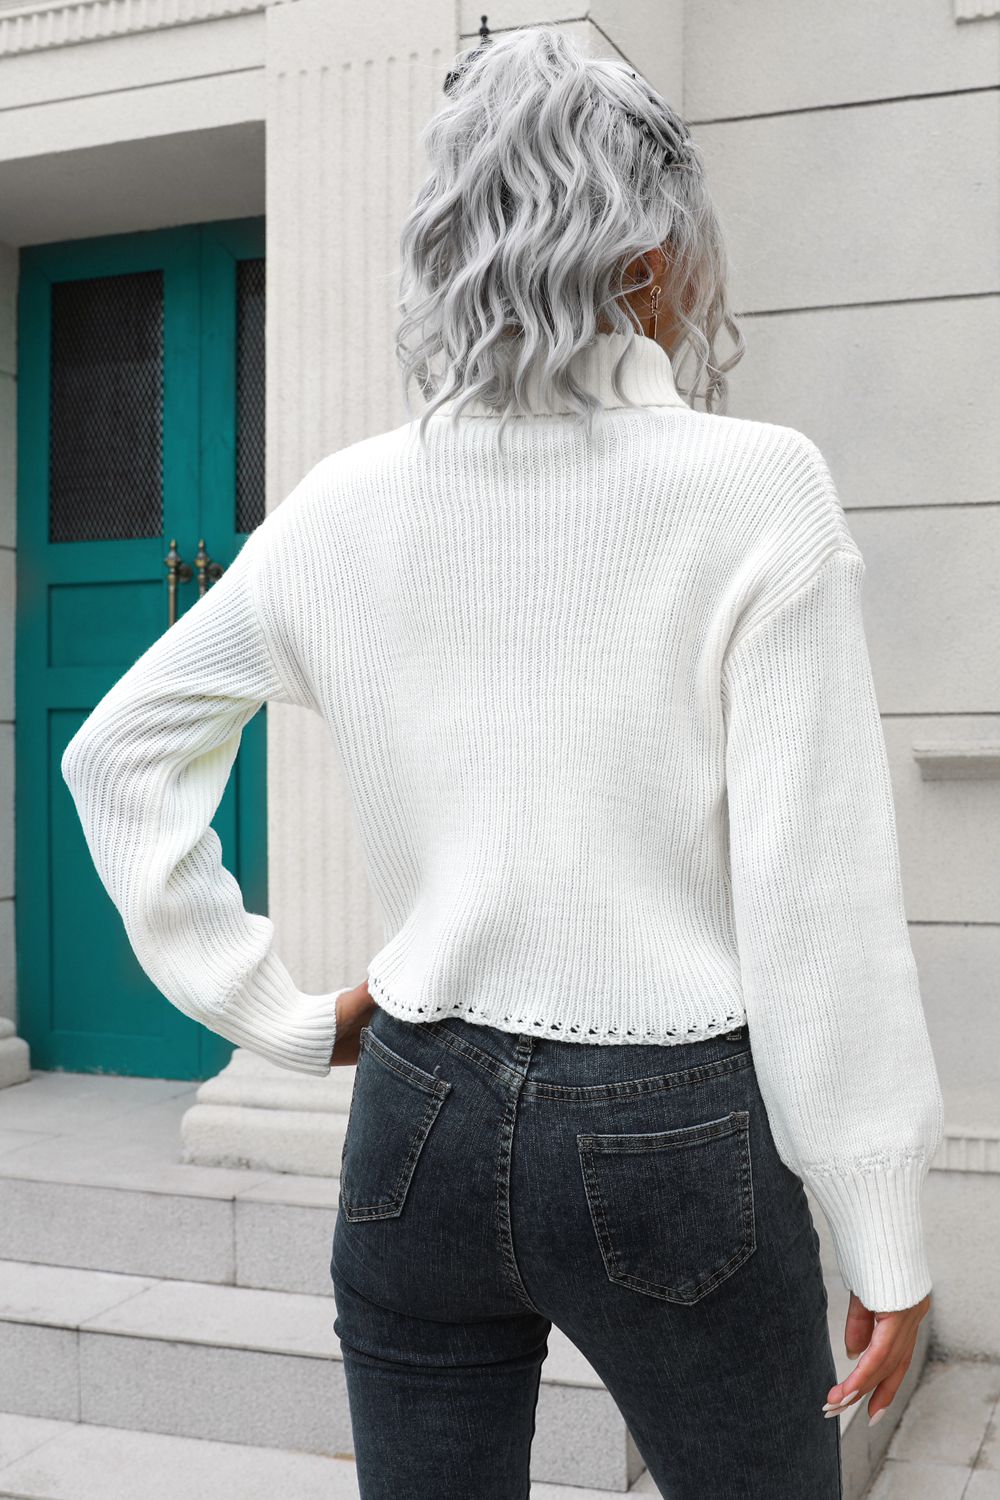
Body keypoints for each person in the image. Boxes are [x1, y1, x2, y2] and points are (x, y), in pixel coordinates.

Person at [60, 24, 944, 1500]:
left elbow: (119, 756)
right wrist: (883, 1221)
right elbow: (815, 899)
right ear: (653, 251)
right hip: (675, 1127)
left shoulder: (346, 503)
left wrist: (277, 1016)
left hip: (417, 1115)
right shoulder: (753, 489)